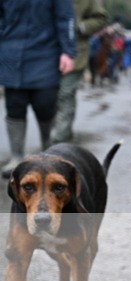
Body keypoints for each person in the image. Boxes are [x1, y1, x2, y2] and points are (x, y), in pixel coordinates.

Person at [0, 0, 76, 174]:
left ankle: (48, 152)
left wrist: (68, 52)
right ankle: (16, 157)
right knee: (14, 105)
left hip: (45, 52)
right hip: (11, 51)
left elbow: (65, 19)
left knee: (45, 104)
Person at [51, 0, 108, 145]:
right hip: (46, 50)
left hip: (75, 52)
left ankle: (59, 139)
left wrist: (80, 26)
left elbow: (100, 18)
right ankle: (55, 135)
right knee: (47, 97)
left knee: (65, 94)